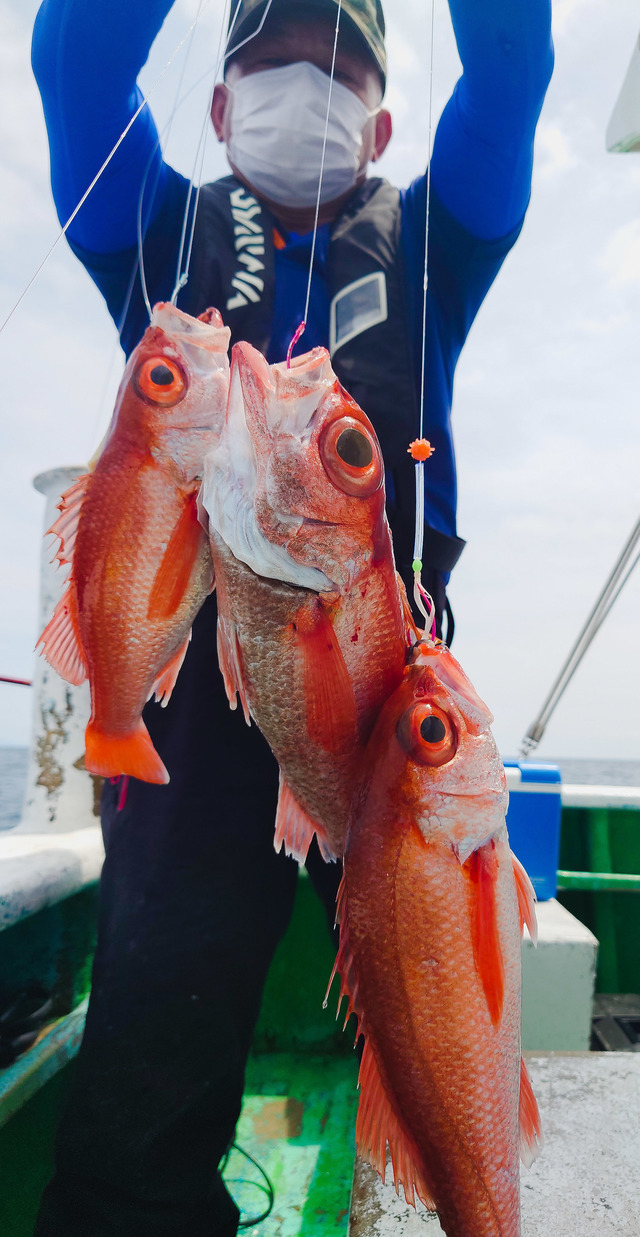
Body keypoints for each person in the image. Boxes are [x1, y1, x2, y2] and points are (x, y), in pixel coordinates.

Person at [31, 1, 553, 1233]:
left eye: (337, 68)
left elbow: (514, 63)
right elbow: (74, 56)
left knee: (445, 1030)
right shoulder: (158, 229)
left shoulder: (434, 237)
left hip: (389, 703)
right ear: (216, 108)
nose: (301, 86)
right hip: (193, 719)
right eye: (268, 65)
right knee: (153, 1037)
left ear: (379, 122)